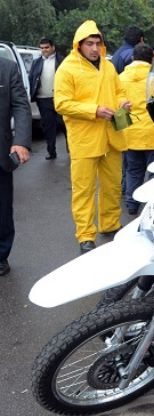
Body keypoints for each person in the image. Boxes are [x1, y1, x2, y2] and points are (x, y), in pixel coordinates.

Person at [55, 20, 131, 254]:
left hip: (112, 135)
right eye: (90, 43)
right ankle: (85, 234)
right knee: (84, 190)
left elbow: (119, 91)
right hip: (85, 139)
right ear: (79, 44)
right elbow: (61, 103)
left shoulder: (108, 67)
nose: (95, 48)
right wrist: (93, 110)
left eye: (98, 43)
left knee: (111, 186)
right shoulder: (67, 68)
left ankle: (110, 225)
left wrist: (122, 103)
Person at [119, 43, 154, 216]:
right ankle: (151, 205)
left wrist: (121, 132)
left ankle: (131, 205)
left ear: (133, 58)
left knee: (133, 171)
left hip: (130, 134)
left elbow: (118, 108)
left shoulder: (120, 79)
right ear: (152, 58)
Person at [0, 57, 32, 276]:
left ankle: (1, 256)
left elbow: (21, 106)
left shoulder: (7, 67)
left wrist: (20, 141)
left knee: (2, 209)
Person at [28, 37, 65, 160]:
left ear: (53, 47)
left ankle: (72, 150)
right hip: (43, 99)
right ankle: (51, 152)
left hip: (60, 98)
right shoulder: (36, 62)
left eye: (47, 47)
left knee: (65, 124)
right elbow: (32, 79)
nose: (44, 50)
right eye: (42, 48)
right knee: (48, 127)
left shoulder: (62, 61)